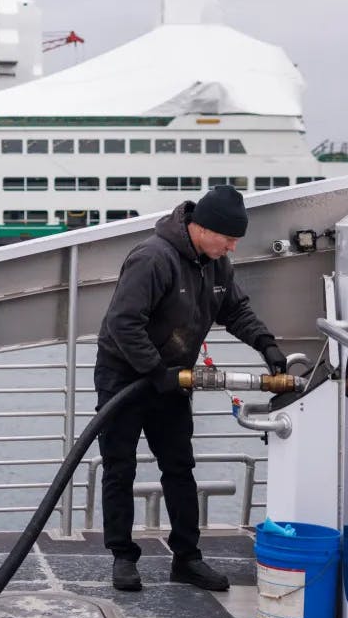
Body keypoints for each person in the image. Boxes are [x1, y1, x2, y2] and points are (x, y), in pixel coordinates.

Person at [93, 186, 287, 592]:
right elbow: (123, 323)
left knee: (179, 467)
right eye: (229, 239)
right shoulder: (152, 257)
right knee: (119, 467)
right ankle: (123, 557)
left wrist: (266, 343)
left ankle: (187, 558)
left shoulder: (216, 265)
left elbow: (234, 310)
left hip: (173, 377)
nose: (233, 247)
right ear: (202, 228)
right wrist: (155, 371)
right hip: (124, 375)